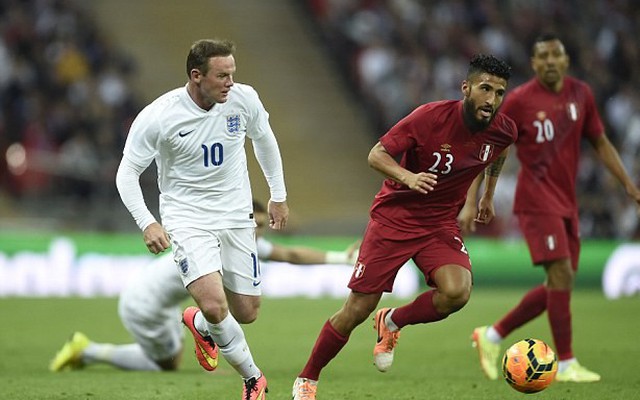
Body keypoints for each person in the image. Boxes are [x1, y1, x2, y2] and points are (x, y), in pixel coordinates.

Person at [291, 54, 517, 400]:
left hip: (440, 223)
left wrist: (485, 196)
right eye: (485, 89)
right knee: (356, 309)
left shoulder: (503, 129)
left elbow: (497, 151)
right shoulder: (430, 118)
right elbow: (376, 154)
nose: (491, 99)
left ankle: (393, 321)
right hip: (395, 220)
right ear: (466, 88)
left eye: (499, 93)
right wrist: (407, 176)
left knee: (457, 292)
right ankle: (308, 378)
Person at [113, 38, 288, 400]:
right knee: (213, 303)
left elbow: (265, 141)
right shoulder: (159, 116)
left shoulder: (244, 100)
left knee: (247, 312)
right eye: (222, 75)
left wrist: (278, 196)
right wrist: (147, 221)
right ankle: (253, 379)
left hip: (237, 215)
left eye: (232, 74)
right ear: (197, 76)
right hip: (187, 219)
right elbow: (126, 173)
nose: (230, 82)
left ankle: (201, 325)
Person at [468, 33, 640, 383]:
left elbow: (600, 141)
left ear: (565, 60)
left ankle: (491, 336)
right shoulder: (519, 101)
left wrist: (628, 183)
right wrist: (485, 195)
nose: (549, 61)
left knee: (559, 284)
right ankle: (566, 363)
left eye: (555, 55)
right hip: (536, 200)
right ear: (533, 64)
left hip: (566, 202)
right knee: (560, 277)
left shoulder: (581, 94)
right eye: (541, 56)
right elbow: (499, 148)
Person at [48, 201, 359, 372]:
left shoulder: (240, 242)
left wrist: (340, 257)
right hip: (144, 305)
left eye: (263, 227)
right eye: (256, 225)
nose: (260, 234)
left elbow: (290, 254)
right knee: (166, 365)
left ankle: (85, 350)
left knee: (169, 359)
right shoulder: (223, 245)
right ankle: (87, 351)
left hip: (159, 302)